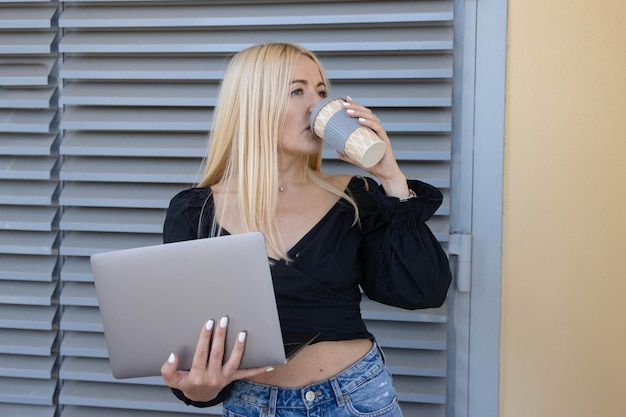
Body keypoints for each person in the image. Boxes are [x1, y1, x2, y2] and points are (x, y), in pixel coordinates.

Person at [160, 42, 451, 417]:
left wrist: (391, 178)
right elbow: (195, 350)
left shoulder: (354, 196)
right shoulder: (195, 212)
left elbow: (423, 290)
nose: (318, 107)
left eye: (321, 92)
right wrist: (199, 390)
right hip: (254, 406)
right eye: (297, 91)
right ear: (254, 104)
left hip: (356, 398)